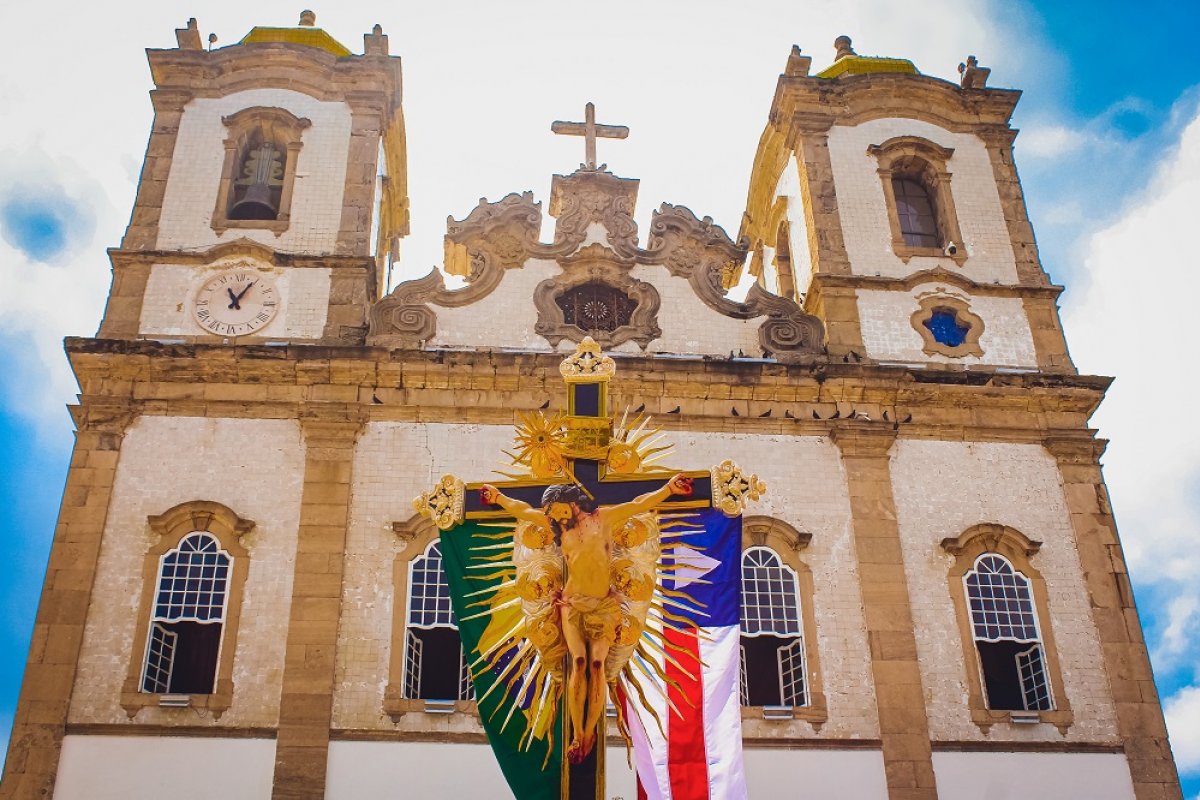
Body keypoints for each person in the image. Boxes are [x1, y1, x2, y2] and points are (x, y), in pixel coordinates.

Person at [479, 473, 693, 763]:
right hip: (571, 604)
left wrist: (668, 489)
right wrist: (498, 497)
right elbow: (523, 511)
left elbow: (638, 504)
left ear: (568, 502)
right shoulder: (559, 529)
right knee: (578, 662)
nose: (551, 516)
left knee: (597, 664)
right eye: (550, 512)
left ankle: (589, 731)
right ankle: (577, 732)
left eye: (554, 509)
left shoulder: (602, 518)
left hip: (604, 606)